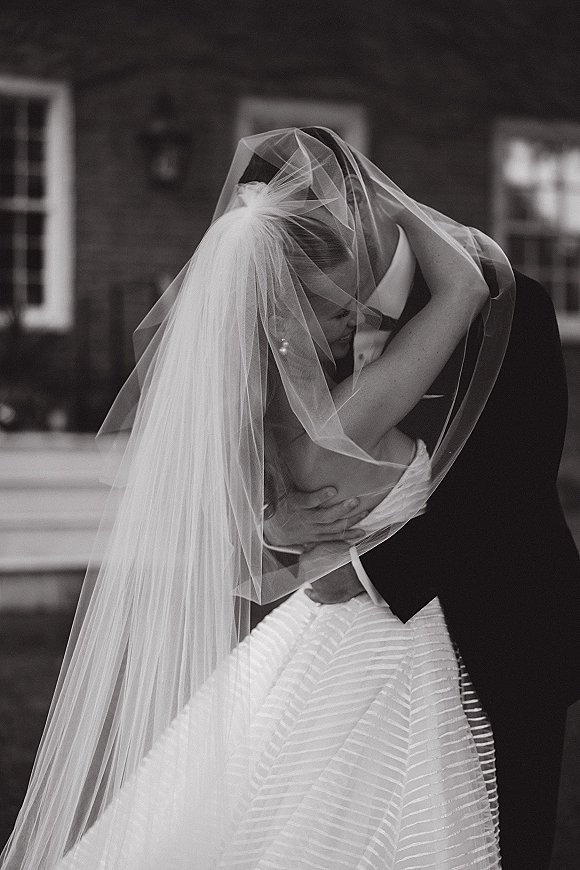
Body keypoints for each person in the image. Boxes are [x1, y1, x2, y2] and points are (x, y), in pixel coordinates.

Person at [1, 129, 516, 870]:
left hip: (317, 630)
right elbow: (466, 286)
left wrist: (272, 523)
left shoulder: (258, 414)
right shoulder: (350, 415)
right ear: (283, 313)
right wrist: (393, 206)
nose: (360, 317)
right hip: (388, 646)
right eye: (339, 303)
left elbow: (246, 544)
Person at [265, 127, 580, 870]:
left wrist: (367, 570)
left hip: (505, 630)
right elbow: (281, 457)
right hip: (364, 654)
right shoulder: (304, 313)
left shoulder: (508, 306)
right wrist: (275, 520)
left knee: (502, 848)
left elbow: (511, 487)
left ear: (363, 206)